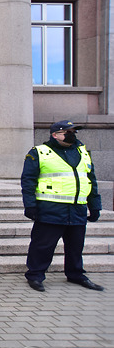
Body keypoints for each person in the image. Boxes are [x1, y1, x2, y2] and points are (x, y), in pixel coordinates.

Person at [21, 120, 104, 292]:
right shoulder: (40, 152)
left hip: (77, 209)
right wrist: (30, 206)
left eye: (73, 131)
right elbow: (28, 181)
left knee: (76, 246)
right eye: (68, 131)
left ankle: (76, 274)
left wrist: (95, 205)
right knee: (42, 246)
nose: (72, 134)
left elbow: (91, 180)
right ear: (55, 135)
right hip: (51, 208)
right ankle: (35, 275)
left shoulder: (82, 152)